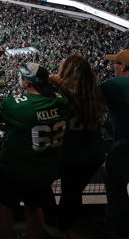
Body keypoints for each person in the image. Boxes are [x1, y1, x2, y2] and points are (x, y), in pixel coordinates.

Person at [0, 62, 71, 239]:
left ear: (27, 83)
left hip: (14, 169)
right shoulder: (63, 101)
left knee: (4, 206)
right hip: (44, 171)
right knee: (34, 206)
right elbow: (67, 94)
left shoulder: (18, 105)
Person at [47, 55, 106, 232]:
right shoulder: (95, 94)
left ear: (68, 73)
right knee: (72, 194)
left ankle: (60, 228)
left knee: (45, 186)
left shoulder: (60, 96)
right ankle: (70, 227)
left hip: (70, 155)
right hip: (93, 155)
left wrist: (51, 83)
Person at [101, 49, 129, 237]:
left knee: (114, 182)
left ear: (124, 66)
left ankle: (117, 226)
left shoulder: (113, 84)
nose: (113, 66)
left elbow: (88, 102)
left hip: (124, 148)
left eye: (116, 63)